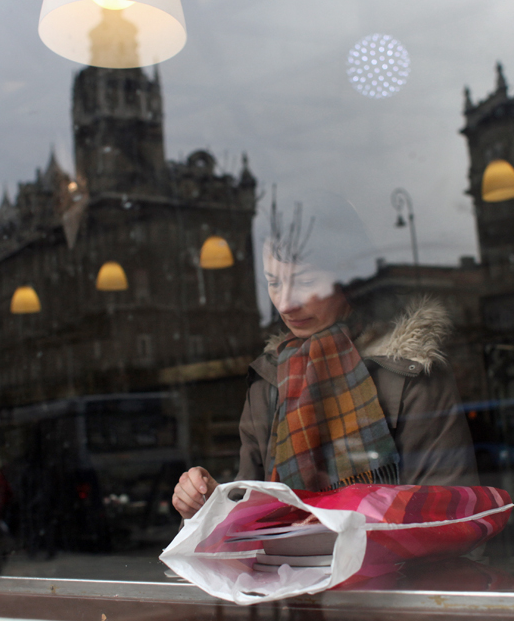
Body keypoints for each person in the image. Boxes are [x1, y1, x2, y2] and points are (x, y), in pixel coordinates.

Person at [172, 192, 478, 519]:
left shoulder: (409, 375)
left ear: (350, 278)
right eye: (273, 282)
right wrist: (207, 503)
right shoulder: (268, 382)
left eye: (303, 282)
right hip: (287, 570)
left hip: (393, 569)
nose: (285, 303)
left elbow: (449, 517)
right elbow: (249, 518)